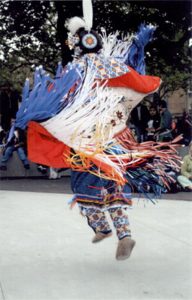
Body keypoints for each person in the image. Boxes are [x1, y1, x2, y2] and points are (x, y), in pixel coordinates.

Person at [13, 0, 180, 261]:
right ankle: (124, 235)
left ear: (76, 45)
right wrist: (138, 46)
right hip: (115, 138)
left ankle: (102, 228)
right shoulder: (115, 66)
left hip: (87, 141)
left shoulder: (74, 71)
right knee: (113, 186)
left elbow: (58, 102)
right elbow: (138, 80)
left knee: (83, 186)